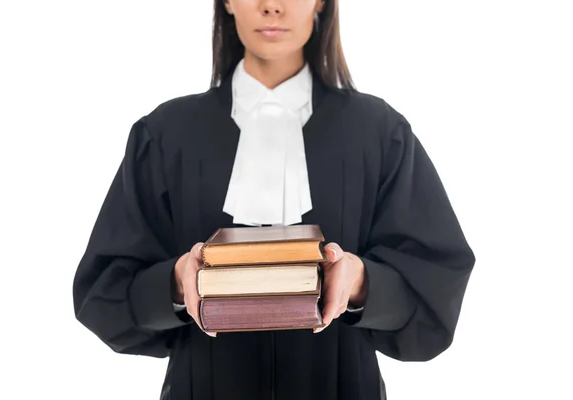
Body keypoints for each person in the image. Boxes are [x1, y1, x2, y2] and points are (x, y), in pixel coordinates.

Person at [72, 0, 476, 399]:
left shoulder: (379, 132)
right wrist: (178, 281)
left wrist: (359, 282)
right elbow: (104, 296)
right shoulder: (165, 134)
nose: (272, 6)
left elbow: (433, 294)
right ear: (227, 2)